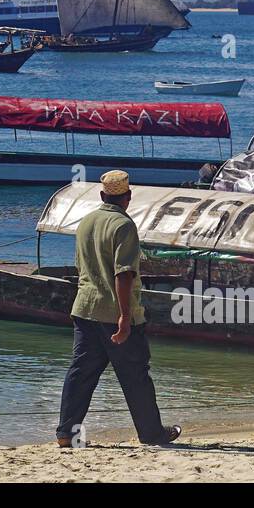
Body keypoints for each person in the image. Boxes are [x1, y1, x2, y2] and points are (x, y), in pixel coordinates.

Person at [56, 170, 181, 448]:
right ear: (128, 197)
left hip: (85, 309)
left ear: (102, 196)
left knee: (81, 374)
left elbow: (82, 267)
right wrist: (125, 317)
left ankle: (66, 433)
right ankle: (152, 434)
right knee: (135, 375)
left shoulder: (86, 222)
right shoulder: (124, 226)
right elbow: (124, 274)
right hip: (115, 313)